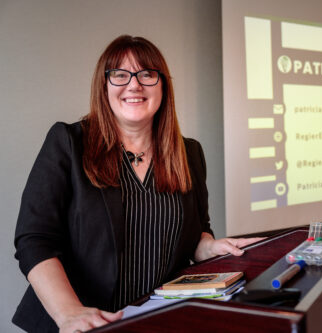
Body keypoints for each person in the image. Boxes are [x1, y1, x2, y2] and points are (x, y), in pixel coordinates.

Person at [13, 35, 261, 333]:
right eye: (119, 74)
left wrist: (209, 246)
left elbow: (197, 233)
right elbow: (34, 240)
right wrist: (69, 313)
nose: (134, 85)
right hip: (79, 325)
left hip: (155, 320)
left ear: (163, 86)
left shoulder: (189, 153)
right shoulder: (68, 143)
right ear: (103, 86)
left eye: (147, 74)